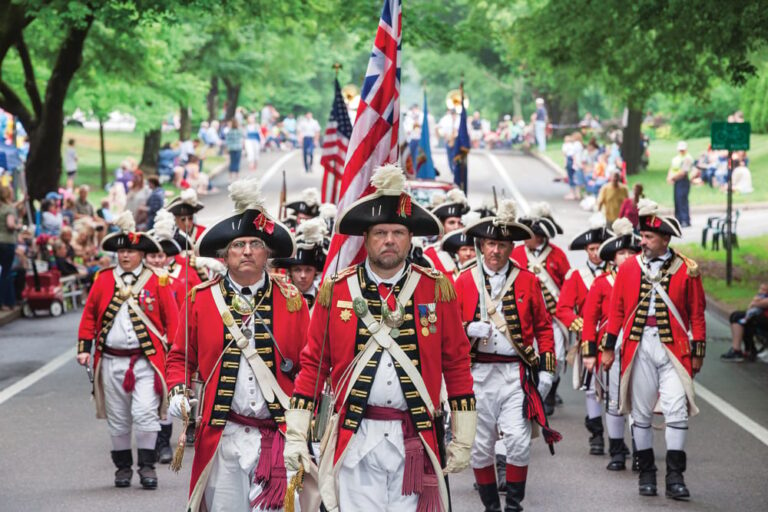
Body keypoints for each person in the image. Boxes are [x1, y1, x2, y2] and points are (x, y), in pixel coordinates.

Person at [284, 165, 477, 512]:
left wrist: (463, 436)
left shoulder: (436, 289)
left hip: (415, 438)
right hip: (356, 437)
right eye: (381, 232)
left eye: (398, 232)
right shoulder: (337, 290)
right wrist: (297, 433)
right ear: (366, 238)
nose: (390, 240)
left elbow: (457, 363)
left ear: (411, 238)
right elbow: (314, 365)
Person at [165, 176, 309, 512]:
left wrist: (305, 421)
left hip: (276, 436)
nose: (247, 251)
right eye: (238, 245)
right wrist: (177, 392)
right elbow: (179, 359)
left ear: (267, 253)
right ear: (224, 255)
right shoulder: (200, 299)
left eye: (255, 244)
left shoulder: (293, 301)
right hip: (223, 436)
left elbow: (310, 366)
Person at [455, 199, 559, 512]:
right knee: (480, 446)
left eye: (501, 245)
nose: (495, 251)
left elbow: (543, 328)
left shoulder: (528, 280)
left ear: (511, 248)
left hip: (516, 374)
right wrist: (467, 328)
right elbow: (446, 332)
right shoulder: (462, 281)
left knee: (517, 440)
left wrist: (547, 370)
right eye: (490, 244)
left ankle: (514, 506)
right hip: (479, 375)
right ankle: (491, 507)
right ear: (480, 246)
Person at [602, 199, 706, 499]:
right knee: (642, 412)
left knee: (676, 410)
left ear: (665, 240)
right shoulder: (629, 268)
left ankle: (675, 476)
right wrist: (608, 349)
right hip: (638, 346)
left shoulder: (687, 270)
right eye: (643, 237)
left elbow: (697, 314)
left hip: (674, 347)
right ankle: (646, 473)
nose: (642, 242)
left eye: (648, 238)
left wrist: (698, 352)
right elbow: (617, 310)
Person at [75, 211, 179, 489]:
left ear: (141, 254)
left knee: (146, 412)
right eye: (121, 251)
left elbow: (173, 320)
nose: (124, 256)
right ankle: (123, 469)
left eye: (130, 251)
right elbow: (89, 316)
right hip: (110, 361)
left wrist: (175, 353)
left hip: (146, 362)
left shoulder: (158, 280)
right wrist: (85, 347)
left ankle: (147, 466)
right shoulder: (103, 279)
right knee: (118, 417)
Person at [582, 217, 641, 471]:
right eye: (621, 253)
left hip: (639, 345)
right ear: (612, 257)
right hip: (612, 346)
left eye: (631, 252)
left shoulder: (647, 280)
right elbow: (589, 319)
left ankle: (641, 451)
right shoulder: (601, 282)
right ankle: (617, 450)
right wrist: (590, 352)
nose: (626, 257)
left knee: (640, 402)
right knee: (615, 401)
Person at [555, 213, 611, 456]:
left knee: (617, 389)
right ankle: (596, 434)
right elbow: (563, 308)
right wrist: (579, 324)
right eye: (591, 248)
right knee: (591, 388)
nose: (596, 253)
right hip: (587, 339)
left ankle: (618, 438)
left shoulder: (616, 273)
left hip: (611, 338)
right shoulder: (576, 276)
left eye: (600, 248)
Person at [512, 202, 570, 414]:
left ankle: (551, 391)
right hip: (526, 316)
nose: (527, 238)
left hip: (553, 316)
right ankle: (533, 392)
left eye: (531, 234)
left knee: (558, 356)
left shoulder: (558, 255)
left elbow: (567, 286)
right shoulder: (516, 254)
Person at [271, 217, 326, 311]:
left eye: (308, 270)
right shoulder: (276, 297)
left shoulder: (325, 298)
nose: (303, 275)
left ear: (316, 271)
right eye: (297, 270)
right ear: (289, 272)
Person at [423, 189, 471, 282]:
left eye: (459, 222)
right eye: (451, 223)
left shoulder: (469, 252)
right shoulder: (429, 254)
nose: (457, 227)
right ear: (442, 225)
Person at [721, 283, 768, 362]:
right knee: (737, 316)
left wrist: (755, 303)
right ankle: (745, 350)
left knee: (742, 318)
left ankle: (740, 350)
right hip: (762, 314)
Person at [0, 185, 19, 310]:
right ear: (8, 195)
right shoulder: (9, 209)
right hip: (7, 242)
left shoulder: (2, 208)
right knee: (6, 273)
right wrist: (19, 226)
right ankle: (6, 302)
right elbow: (10, 224)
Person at [667, 141, 694, 228]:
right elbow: (672, 168)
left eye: (683, 149)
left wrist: (672, 178)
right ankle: (678, 219)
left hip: (683, 181)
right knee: (677, 200)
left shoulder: (688, 158)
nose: (681, 151)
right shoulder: (676, 158)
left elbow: (683, 172)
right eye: (680, 149)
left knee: (682, 200)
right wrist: (669, 177)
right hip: (676, 181)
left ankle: (685, 220)